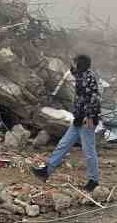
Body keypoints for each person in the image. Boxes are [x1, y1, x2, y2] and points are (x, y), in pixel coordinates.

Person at [33, 54, 101, 190]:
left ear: (80, 64)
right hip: (79, 118)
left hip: (87, 120)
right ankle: (46, 171)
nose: (72, 65)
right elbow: (80, 98)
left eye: (74, 63)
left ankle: (93, 181)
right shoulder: (81, 76)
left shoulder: (88, 77)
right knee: (63, 144)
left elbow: (94, 98)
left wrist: (90, 117)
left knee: (89, 151)